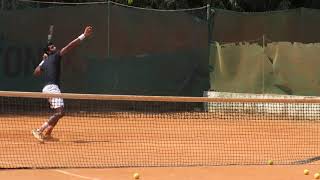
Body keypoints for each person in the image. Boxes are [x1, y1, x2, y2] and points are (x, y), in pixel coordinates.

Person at [32, 26, 93, 142]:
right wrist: (83, 35)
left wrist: (43, 60)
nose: (54, 47)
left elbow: (36, 72)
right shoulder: (55, 56)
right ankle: (39, 130)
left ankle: (48, 134)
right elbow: (70, 46)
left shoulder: (45, 62)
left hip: (47, 89)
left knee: (59, 112)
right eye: (52, 47)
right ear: (49, 51)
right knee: (60, 112)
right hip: (52, 88)